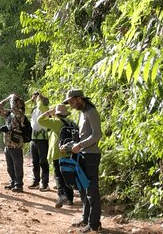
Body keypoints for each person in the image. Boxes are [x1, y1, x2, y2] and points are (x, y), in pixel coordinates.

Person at [61, 89, 102, 233]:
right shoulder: (83, 113)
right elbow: (81, 137)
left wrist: (80, 145)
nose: (71, 105)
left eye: (72, 102)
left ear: (79, 99)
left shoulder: (91, 112)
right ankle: (86, 219)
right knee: (84, 189)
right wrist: (68, 146)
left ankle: (94, 224)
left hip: (91, 156)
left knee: (91, 190)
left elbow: (97, 135)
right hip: (83, 155)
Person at [38, 104, 75, 208]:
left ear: (57, 113)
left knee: (58, 175)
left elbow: (40, 120)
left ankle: (61, 195)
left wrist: (49, 112)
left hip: (58, 152)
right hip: (69, 152)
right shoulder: (71, 123)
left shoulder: (55, 122)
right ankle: (70, 198)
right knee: (68, 174)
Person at [0, 94, 25, 192]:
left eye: (17, 102)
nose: (15, 102)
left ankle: (19, 184)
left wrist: (12, 98)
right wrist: (7, 98)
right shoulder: (9, 114)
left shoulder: (20, 113)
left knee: (18, 166)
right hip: (8, 144)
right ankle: (13, 181)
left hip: (16, 145)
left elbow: (13, 108)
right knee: (10, 166)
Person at [25, 92, 50, 191]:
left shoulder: (45, 109)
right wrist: (31, 100)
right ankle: (36, 182)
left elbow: (41, 105)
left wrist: (40, 96)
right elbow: (24, 107)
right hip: (33, 139)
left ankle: (45, 183)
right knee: (35, 162)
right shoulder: (34, 110)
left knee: (43, 162)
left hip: (43, 140)